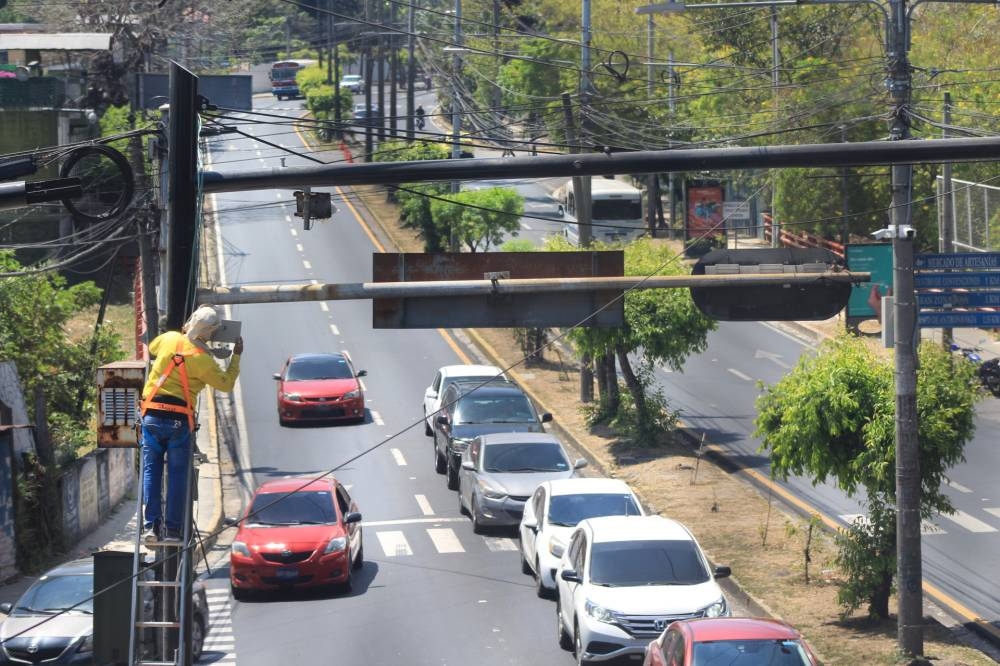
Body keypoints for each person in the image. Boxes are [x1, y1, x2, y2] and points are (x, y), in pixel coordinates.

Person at [139, 306, 243, 543]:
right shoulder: (204, 360)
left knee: (151, 471)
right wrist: (235, 356)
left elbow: (153, 347)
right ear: (211, 333)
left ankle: (151, 527)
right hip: (179, 421)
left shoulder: (169, 339)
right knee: (177, 475)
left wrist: (183, 334)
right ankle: (173, 530)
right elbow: (225, 384)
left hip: (152, 415)